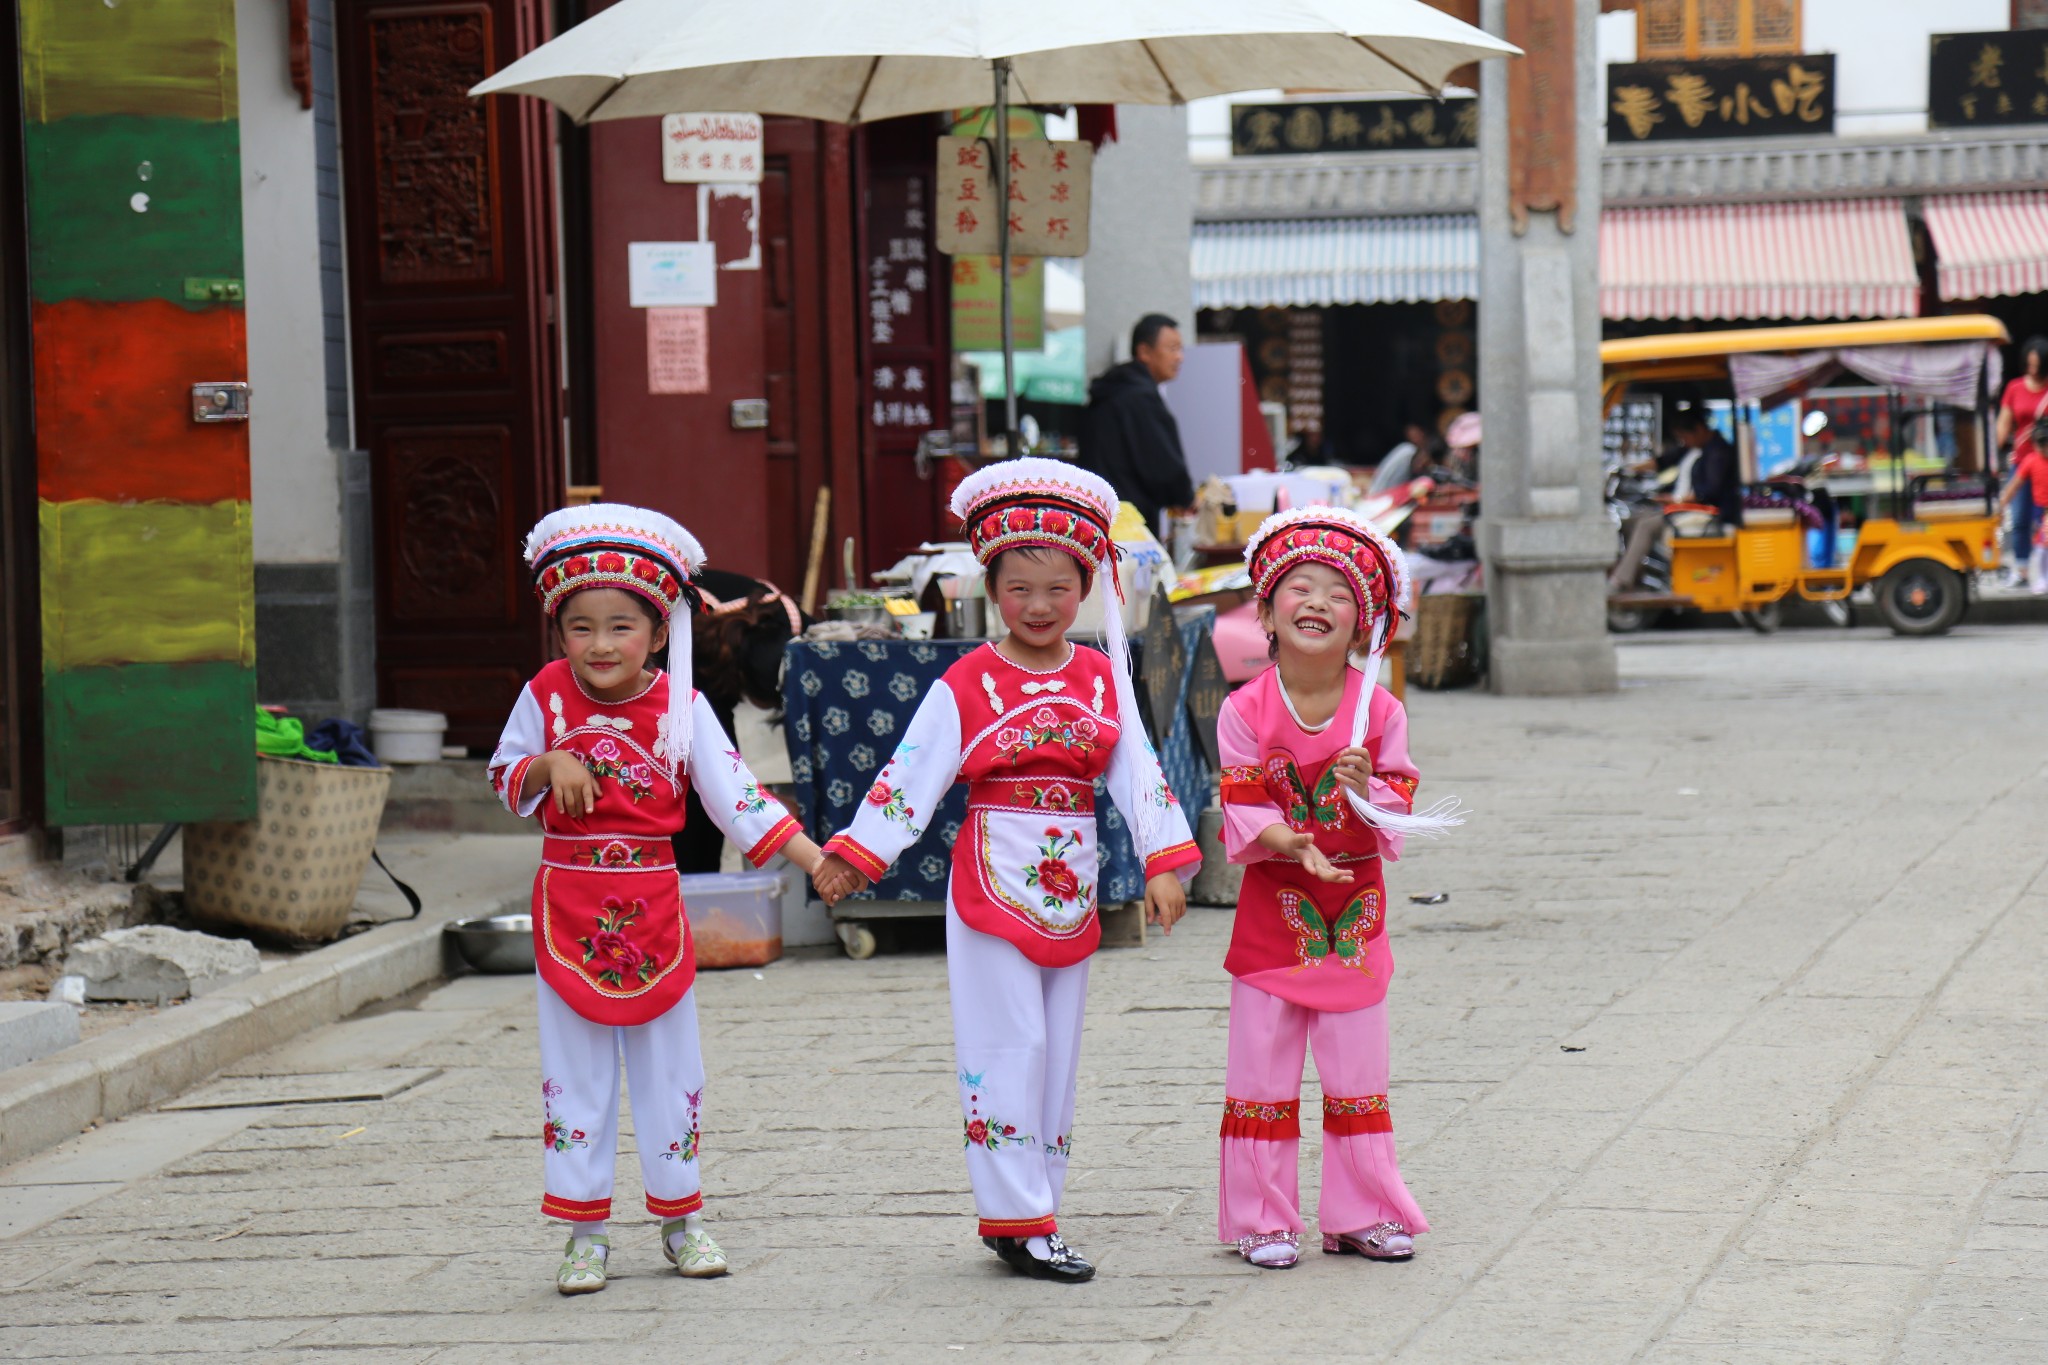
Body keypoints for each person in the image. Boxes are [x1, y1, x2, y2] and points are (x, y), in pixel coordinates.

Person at [813, 457, 1200, 1283]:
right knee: (1007, 1042)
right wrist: (858, 853)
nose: (1038, 606)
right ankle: (1020, 1217)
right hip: (990, 881)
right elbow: (913, 768)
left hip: (1073, 882)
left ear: (1086, 588)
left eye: (1058, 589)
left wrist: (1164, 861)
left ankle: (1032, 1209)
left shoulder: (1102, 678)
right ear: (992, 588)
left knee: (1056, 1050)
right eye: (1020, 588)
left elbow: (1137, 769)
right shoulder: (969, 680)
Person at [486, 503, 830, 1295]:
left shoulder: (682, 708)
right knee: (573, 1071)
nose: (600, 645)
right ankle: (585, 1232)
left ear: (659, 629)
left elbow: (737, 799)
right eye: (580, 627)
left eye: (620, 626)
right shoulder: (545, 696)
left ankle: (683, 1218)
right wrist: (547, 767)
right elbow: (504, 776)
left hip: (651, 899)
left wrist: (817, 860)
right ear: (557, 632)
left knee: (672, 1066)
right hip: (568, 901)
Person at [1213, 506, 1465, 1270]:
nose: (1316, 601)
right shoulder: (1243, 709)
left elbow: (1399, 810)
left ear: (1364, 624)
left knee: (1359, 1072)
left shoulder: (1379, 709)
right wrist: (1291, 841)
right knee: (1262, 1069)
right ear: (1265, 611)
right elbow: (1242, 801)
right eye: (1299, 587)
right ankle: (1262, 1216)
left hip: (1353, 919)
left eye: (1338, 592)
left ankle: (1362, 1212)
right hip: (1271, 920)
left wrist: (1363, 790)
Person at [1078, 314, 1196, 534]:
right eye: (1172, 348)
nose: (1179, 357)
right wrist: (1185, 497)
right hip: (1129, 524)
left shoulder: (1109, 392)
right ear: (1144, 352)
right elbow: (1162, 465)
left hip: (1096, 517)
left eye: (1181, 349)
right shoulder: (1139, 397)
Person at [1995, 336, 2048, 588]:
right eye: (2029, 364)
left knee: (2044, 519)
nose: (2033, 370)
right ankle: (2022, 567)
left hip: (2046, 463)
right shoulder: (2015, 388)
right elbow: (2004, 422)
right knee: (2019, 516)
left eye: (2037, 365)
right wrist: (1993, 453)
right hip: (2022, 461)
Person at [1666, 406, 1744, 527]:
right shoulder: (1707, 450)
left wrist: (1681, 499)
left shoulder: (1718, 452)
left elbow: (1710, 491)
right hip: (1709, 511)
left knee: (1651, 524)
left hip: (1718, 514)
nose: (1685, 442)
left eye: (1684, 437)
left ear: (1699, 428)